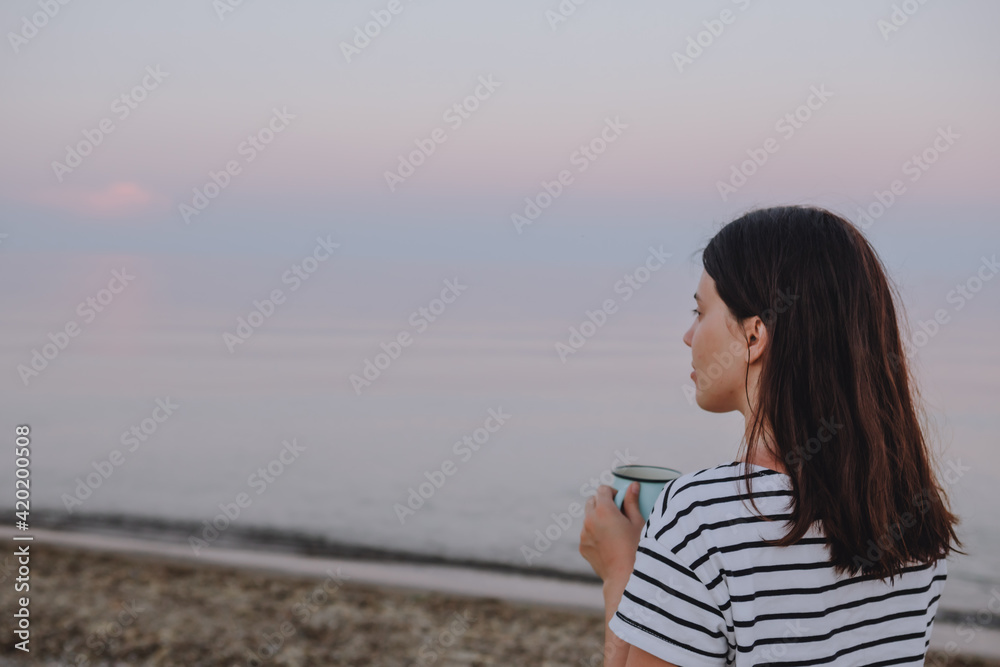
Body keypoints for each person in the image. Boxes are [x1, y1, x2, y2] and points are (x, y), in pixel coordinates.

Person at [579, 205, 962, 667]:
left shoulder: (698, 518)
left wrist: (621, 571)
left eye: (700, 312)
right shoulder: (914, 516)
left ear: (755, 335)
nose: (688, 335)